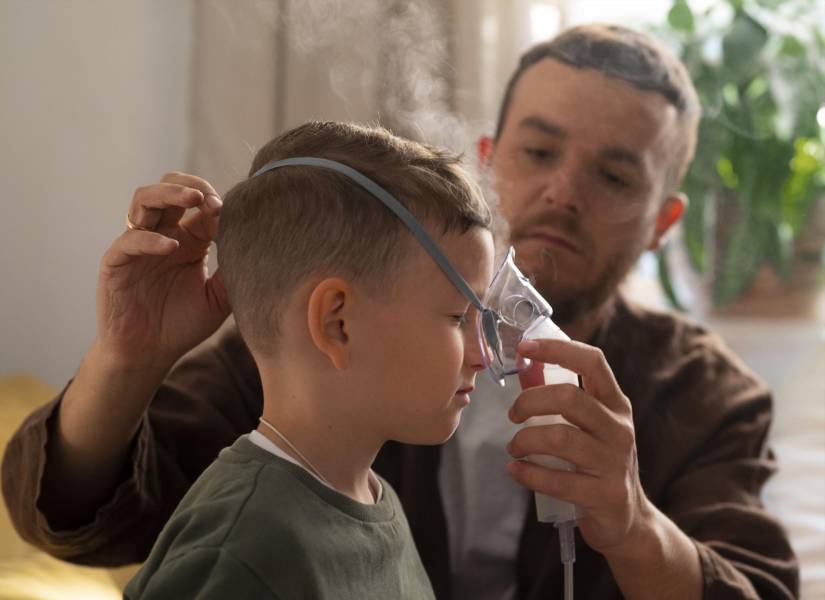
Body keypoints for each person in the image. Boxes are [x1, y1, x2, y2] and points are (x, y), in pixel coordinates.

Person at [2, 24, 798, 600]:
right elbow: (80, 523)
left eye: (615, 178)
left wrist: (630, 525)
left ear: (665, 220)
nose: (563, 192)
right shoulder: (329, 336)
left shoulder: (706, 398)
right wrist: (129, 358)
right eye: (538, 152)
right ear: (488, 162)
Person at [124, 120, 494, 598]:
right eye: (458, 316)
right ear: (337, 322)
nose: (484, 355)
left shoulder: (376, 502)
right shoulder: (238, 553)